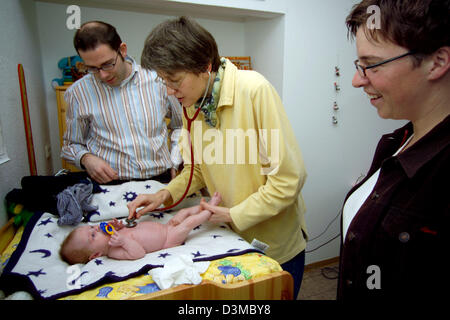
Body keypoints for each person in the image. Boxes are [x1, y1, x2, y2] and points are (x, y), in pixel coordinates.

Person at [127, 16, 308, 298]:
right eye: (163, 81)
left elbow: (288, 179)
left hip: (272, 244)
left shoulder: (254, 90)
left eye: (174, 81)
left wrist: (234, 214)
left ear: (205, 66)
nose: (169, 92)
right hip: (228, 238)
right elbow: (198, 169)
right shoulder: (193, 106)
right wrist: (164, 195)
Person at [339, 0, 450, 300]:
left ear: (437, 62)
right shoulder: (394, 142)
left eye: (371, 65)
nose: (356, 80)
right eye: (358, 66)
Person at [61, 21, 183, 184]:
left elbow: (180, 126)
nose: (103, 75)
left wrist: (176, 160)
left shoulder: (157, 79)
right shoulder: (78, 93)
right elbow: (71, 145)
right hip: (112, 185)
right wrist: (86, 158)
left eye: (107, 64)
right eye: (93, 68)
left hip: (161, 179)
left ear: (122, 50)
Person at [60, 192, 222, 264]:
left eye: (92, 228)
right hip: (167, 240)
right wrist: (123, 241)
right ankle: (209, 211)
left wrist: (118, 226)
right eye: (93, 236)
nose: (96, 230)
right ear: (95, 254)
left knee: (183, 212)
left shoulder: (113, 234)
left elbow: (129, 228)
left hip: (166, 227)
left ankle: (201, 208)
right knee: (188, 223)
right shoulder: (115, 251)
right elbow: (138, 253)